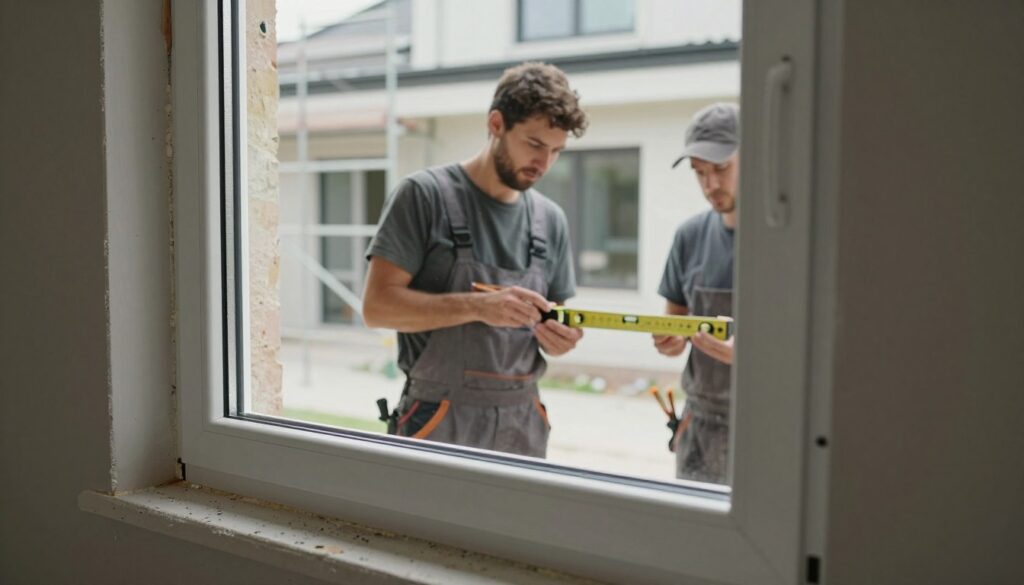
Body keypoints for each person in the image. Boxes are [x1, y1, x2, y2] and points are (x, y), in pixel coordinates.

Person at [362, 62, 588, 458]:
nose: (545, 163)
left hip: (523, 422)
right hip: (437, 418)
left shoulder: (550, 220)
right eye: (535, 144)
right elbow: (377, 308)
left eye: (556, 151)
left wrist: (560, 339)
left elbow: (556, 320)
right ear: (497, 124)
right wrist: (478, 306)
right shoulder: (423, 196)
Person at [653, 102, 739, 484]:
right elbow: (672, 325)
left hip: (768, 423)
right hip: (700, 424)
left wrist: (754, 357)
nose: (710, 185)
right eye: (699, 172)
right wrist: (668, 340)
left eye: (721, 169)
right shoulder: (689, 236)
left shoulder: (789, 240)